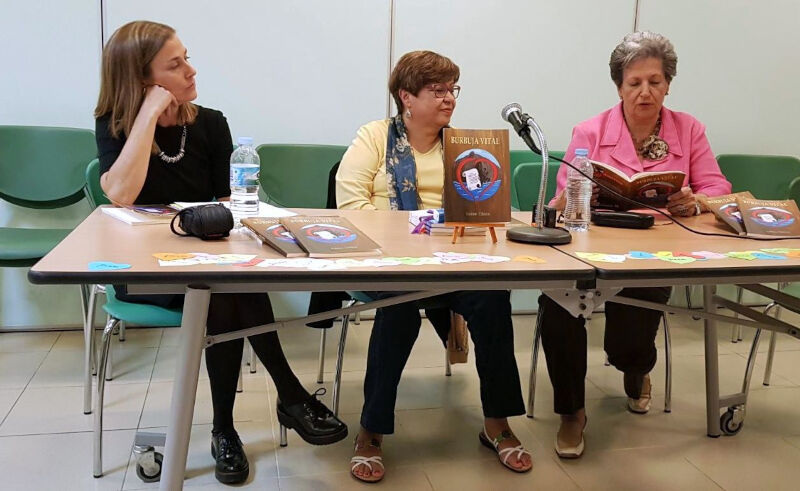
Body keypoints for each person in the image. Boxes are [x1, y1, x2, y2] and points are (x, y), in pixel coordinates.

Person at [94, 21, 347, 485]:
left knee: (225, 291)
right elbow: (121, 195)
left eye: (187, 56)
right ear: (142, 79)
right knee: (226, 292)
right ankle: (285, 398)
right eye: (175, 64)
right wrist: (148, 115)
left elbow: (231, 204)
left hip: (209, 259)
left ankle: (228, 428)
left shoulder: (210, 123)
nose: (191, 70)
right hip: (148, 270)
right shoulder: (117, 126)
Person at [336, 50, 531, 483]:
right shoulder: (374, 137)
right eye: (437, 91)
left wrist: (482, 212)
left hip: (453, 262)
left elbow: (480, 204)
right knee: (401, 308)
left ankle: (496, 423)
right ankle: (370, 430)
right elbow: (351, 209)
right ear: (407, 96)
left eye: (452, 90)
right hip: (386, 264)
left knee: (492, 298)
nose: (449, 100)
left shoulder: (465, 145)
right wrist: (419, 229)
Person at [544, 31, 732, 459]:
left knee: (628, 343)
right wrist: (579, 194)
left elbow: (718, 188)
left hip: (654, 251)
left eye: (655, 81)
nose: (645, 92)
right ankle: (571, 412)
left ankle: (635, 368)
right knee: (557, 307)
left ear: (668, 84)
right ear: (619, 86)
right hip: (588, 248)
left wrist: (696, 199)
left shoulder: (689, 128)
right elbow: (561, 195)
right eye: (635, 83)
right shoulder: (589, 131)